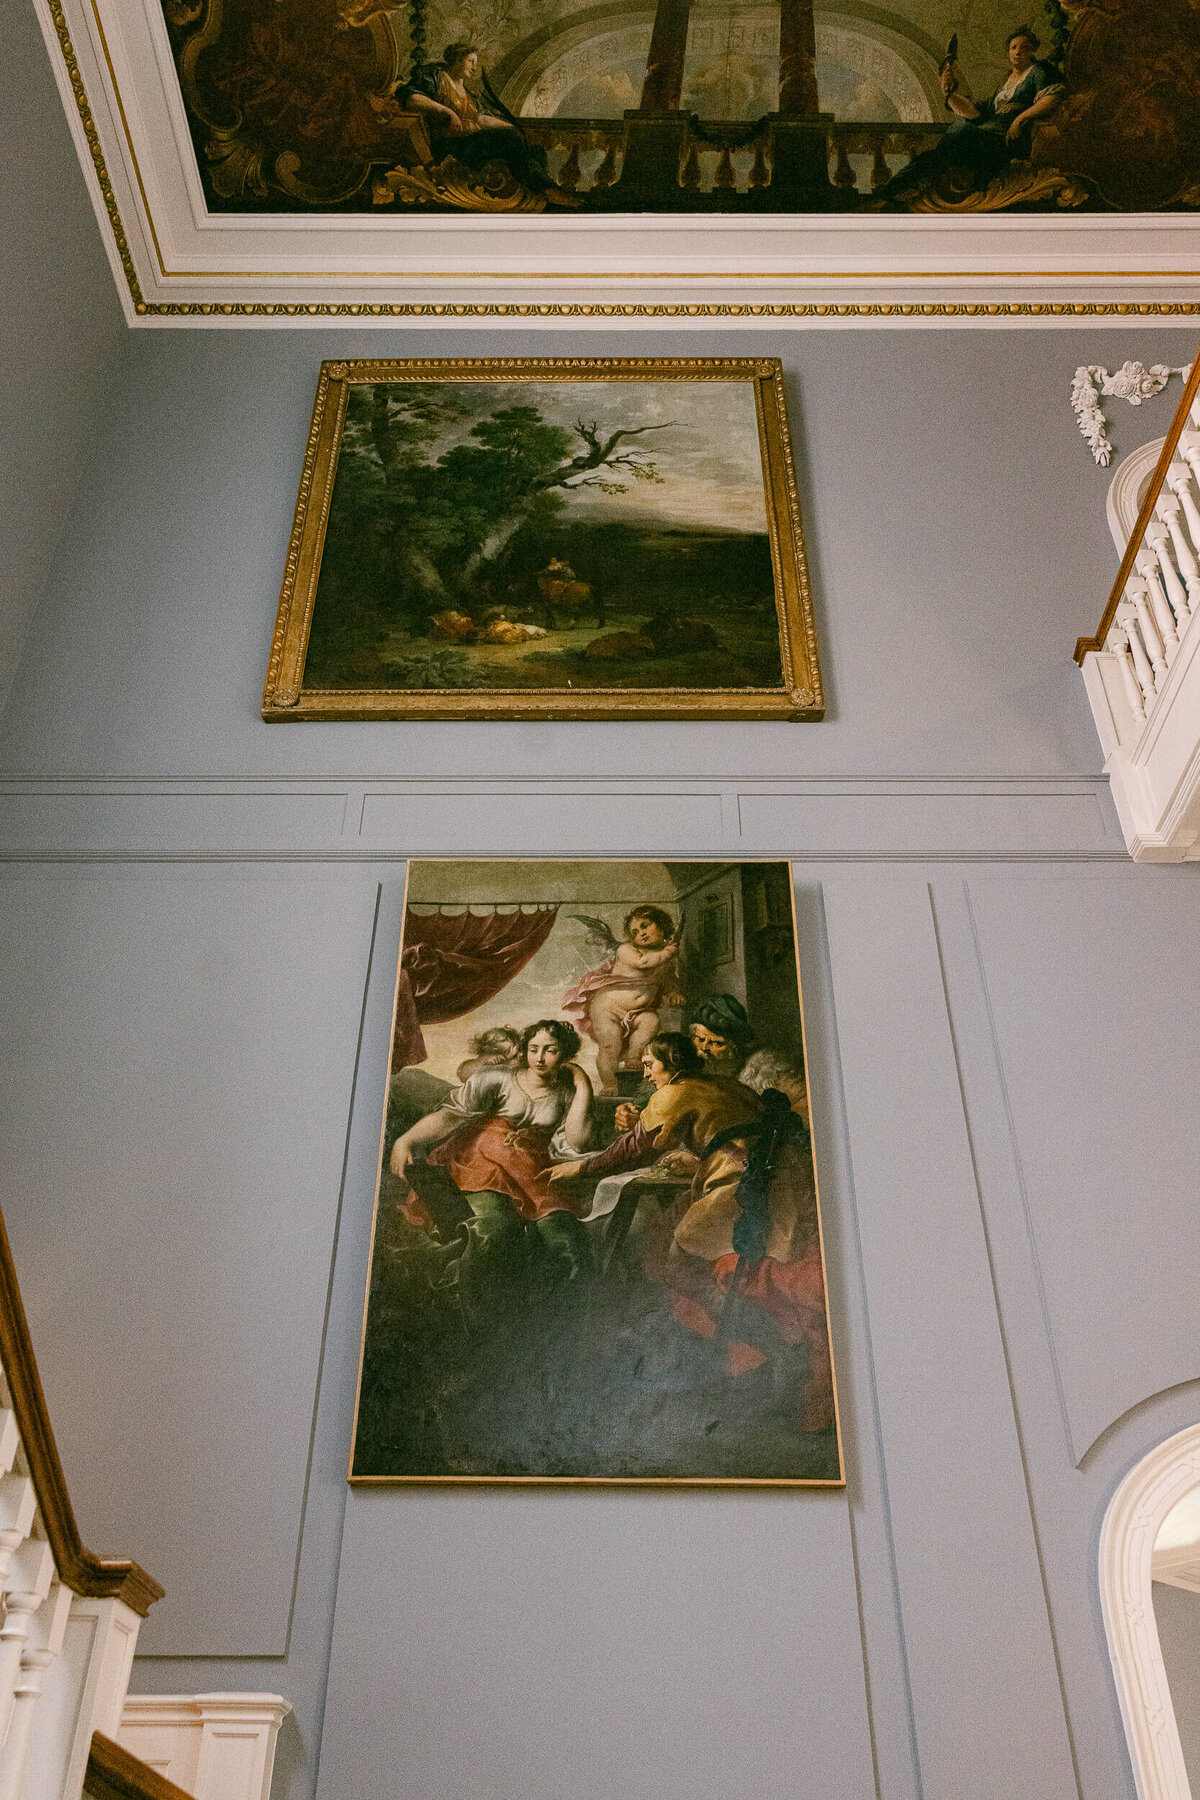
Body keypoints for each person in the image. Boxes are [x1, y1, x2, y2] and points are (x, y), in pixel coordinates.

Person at [550, 1033, 833, 1427]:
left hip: (748, 1183)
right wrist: (696, 1156)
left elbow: (634, 1147)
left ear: (673, 1063)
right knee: (668, 1242)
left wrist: (580, 1167)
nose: (647, 1073)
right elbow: (726, 1130)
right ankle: (735, 1354)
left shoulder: (676, 1091)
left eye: (650, 1064)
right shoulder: (719, 1084)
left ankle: (766, 1347)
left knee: (682, 1261)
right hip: (777, 1175)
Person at [389, 1018, 595, 1285]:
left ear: (565, 1054)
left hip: (531, 1173)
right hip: (481, 1166)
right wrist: (405, 1140)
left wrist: (583, 1084)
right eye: (533, 1049)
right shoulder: (497, 1078)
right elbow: (449, 1118)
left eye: (550, 1050)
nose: (540, 1058)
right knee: (494, 1229)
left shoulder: (565, 1092)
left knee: (567, 1239)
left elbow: (577, 1142)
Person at [883, 26, 1066, 201]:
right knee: (949, 139)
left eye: (1024, 47)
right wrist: (948, 92)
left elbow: (1052, 98)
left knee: (960, 133)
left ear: (1033, 50)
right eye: (1013, 47)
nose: (1018, 52)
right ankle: (896, 189)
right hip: (987, 132)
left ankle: (908, 186)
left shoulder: (1037, 72)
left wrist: (1019, 119)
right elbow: (977, 113)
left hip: (1006, 139)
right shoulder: (1006, 81)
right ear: (1008, 53)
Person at [562, 906, 684, 1095]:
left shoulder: (665, 960)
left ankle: (634, 1056)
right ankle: (610, 1084)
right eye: (635, 932)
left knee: (652, 1022)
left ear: (662, 926)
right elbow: (644, 963)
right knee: (610, 1045)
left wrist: (673, 992)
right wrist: (669, 951)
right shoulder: (627, 950)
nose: (641, 934)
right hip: (608, 1007)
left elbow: (667, 980)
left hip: (640, 1011)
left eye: (645, 926)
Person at [400, 43, 552, 192]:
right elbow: (410, 97)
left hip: (471, 143)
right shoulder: (436, 79)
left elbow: (481, 118)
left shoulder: (467, 93)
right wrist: (447, 111)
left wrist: (513, 128)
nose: (474, 67)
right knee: (511, 140)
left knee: (536, 150)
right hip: (450, 146)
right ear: (457, 60)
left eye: (476, 62)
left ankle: (544, 188)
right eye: (470, 61)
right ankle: (540, 187)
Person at [687, 993, 809, 1123]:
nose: (704, 1048)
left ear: (735, 1047)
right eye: (700, 1039)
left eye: (717, 1043)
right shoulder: (693, 1073)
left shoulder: (766, 1071)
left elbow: (806, 1104)